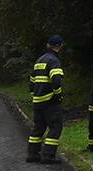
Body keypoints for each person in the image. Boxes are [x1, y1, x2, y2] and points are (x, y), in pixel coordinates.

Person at [27, 35, 65, 164]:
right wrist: (57, 95)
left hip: (38, 101)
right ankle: (48, 156)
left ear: (47, 45)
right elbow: (57, 80)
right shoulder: (54, 60)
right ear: (60, 46)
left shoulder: (39, 61)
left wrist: (34, 95)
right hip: (50, 101)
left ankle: (32, 154)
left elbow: (31, 81)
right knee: (55, 126)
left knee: (38, 127)